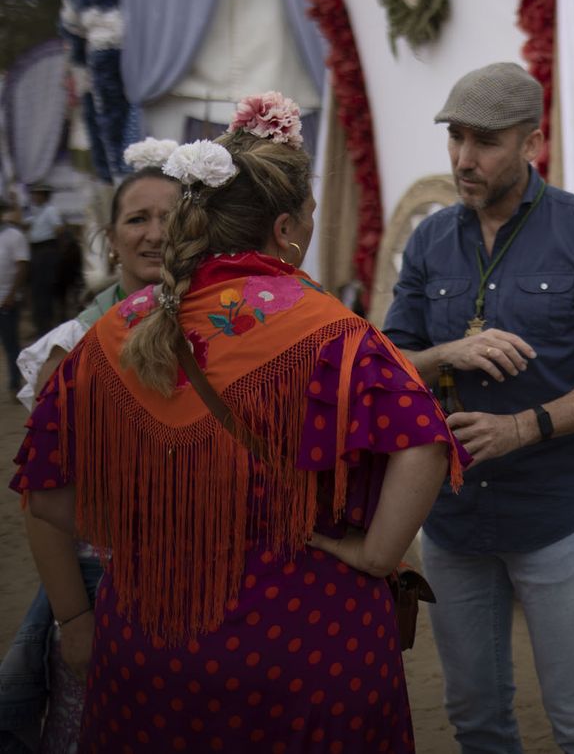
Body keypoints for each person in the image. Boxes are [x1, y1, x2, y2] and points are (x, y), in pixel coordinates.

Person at [10, 93, 467, 751]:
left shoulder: (112, 333)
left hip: (152, 647)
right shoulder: (335, 333)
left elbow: (47, 492)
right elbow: (424, 441)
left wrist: (148, 533)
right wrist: (372, 554)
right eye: (311, 216)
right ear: (284, 229)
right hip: (313, 646)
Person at [384, 62, 574, 754]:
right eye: (456, 137)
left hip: (557, 518)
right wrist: (448, 353)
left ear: (532, 142)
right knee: (475, 720)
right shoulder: (429, 240)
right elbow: (385, 365)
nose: (463, 159)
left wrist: (521, 427)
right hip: (451, 520)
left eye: (485, 141)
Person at [1, 149, 179, 753]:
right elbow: (42, 497)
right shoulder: (73, 345)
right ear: (110, 237)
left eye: (171, 218)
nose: (155, 234)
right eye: (137, 219)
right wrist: (74, 620)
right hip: (102, 589)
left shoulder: (222, 331)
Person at [23, 185, 64, 335]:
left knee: (44, 289)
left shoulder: (50, 210)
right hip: (35, 250)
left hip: (46, 249)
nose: (34, 197)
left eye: (37, 194)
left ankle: (45, 325)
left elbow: (59, 229)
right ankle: (39, 324)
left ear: (44, 196)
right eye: (34, 194)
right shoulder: (34, 212)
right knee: (36, 290)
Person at [0, 209, 27, 395]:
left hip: (6, 300)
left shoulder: (14, 236)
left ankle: (15, 384)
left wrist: (11, 294)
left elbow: (22, 266)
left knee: (10, 345)